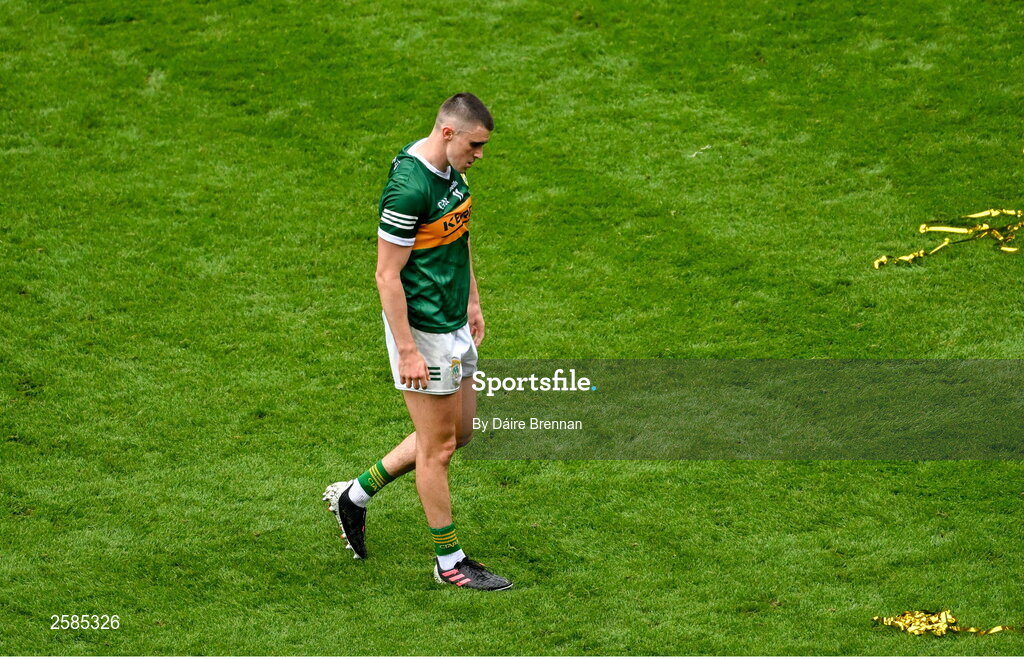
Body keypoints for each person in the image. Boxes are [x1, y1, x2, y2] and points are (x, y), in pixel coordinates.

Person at [323, 93, 512, 591]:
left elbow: (461, 234)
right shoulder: (407, 190)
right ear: (448, 133)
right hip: (424, 329)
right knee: (440, 447)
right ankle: (448, 560)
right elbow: (386, 276)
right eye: (475, 145)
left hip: (453, 319)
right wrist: (406, 349)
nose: (479, 155)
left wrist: (473, 299)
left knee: (461, 433)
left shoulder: (452, 171)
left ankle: (354, 495)